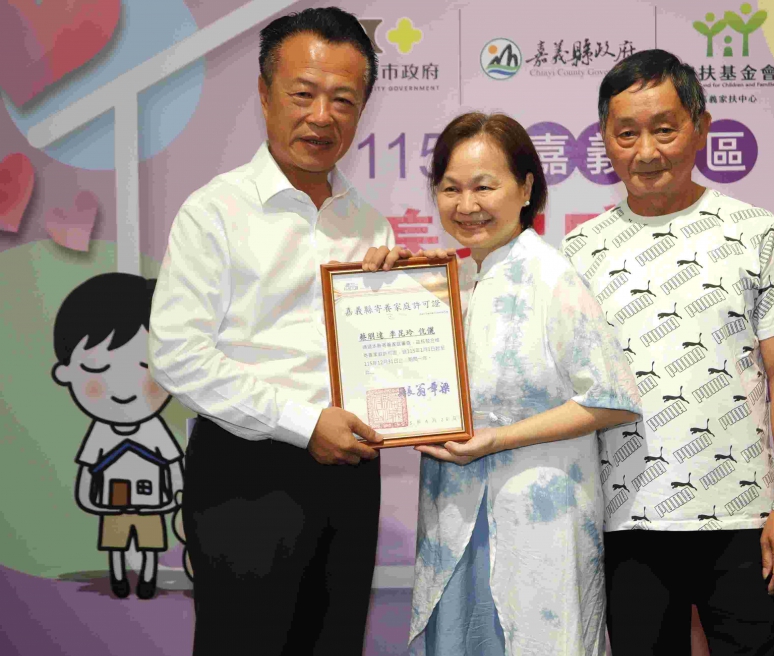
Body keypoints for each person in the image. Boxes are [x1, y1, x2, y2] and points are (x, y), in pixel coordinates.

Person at [561, 49, 774, 655]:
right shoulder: (578, 252)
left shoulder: (756, 232)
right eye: (626, 133)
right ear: (604, 138)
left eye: (664, 129)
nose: (646, 151)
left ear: (701, 127)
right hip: (625, 523)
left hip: (746, 522)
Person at [148, 8, 394, 654]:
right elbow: (176, 355)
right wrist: (303, 423)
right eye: (303, 94)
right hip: (245, 475)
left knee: (334, 641)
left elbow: (385, 356)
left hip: (349, 474)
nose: (322, 117)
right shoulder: (215, 212)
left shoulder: (371, 225)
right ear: (264, 94)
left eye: (343, 99)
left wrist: (405, 302)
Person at [399, 113, 642, 655]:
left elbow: (612, 399)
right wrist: (380, 288)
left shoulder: (552, 276)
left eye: (484, 186)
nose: (467, 205)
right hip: (453, 522)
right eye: (450, 188)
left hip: (538, 522)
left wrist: (499, 439)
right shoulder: (449, 280)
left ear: (526, 188)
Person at [53, 273, 183, 600]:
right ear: (65, 372)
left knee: (150, 544)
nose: (123, 388)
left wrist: (177, 495)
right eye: (97, 369)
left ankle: (148, 578)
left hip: (152, 507)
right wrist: (88, 498)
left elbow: (172, 464)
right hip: (113, 508)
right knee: (115, 544)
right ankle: (119, 578)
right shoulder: (100, 433)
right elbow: (89, 468)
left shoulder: (154, 430)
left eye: (145, 367)